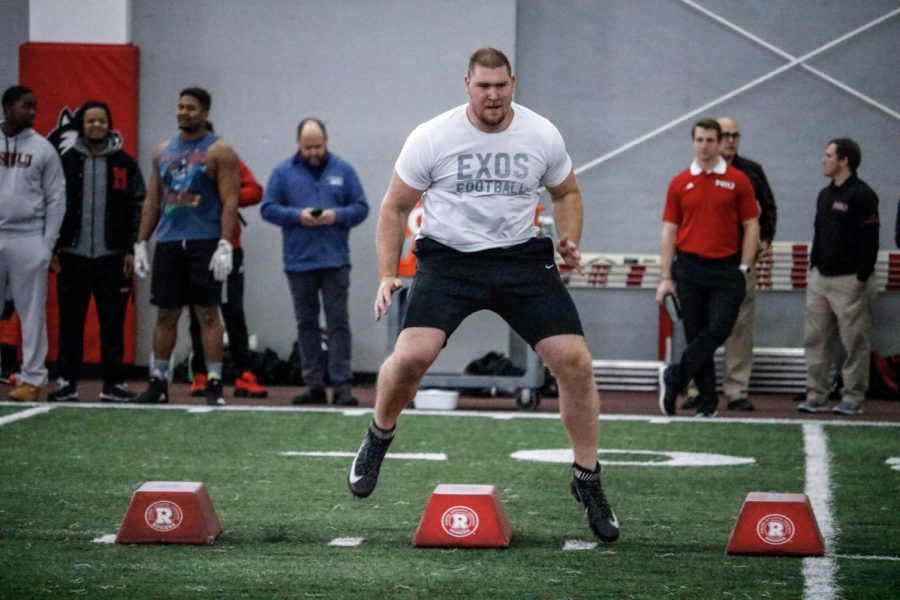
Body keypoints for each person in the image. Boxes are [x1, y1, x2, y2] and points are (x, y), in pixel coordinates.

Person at [346, 48, 619, 543]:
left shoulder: (541, 133)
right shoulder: (432, 137)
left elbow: (567, 193)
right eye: (483, 86)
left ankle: (587, 479)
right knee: (412, 358)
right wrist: (388, 272)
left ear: (513, 83)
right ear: (466, 84)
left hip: (521, 259)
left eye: (501, 86)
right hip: (450, 261)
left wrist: (570, 238)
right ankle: (379, 434)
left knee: (574, 361)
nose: (492, 95)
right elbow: (393, 208)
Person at [131, 87, 239, 406]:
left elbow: (230, 199)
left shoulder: (219, 151)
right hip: (168, 241)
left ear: (205, 112)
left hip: (204, 241)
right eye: (180, 107)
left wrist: (224, 243)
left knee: (207, 313)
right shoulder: (162, 150)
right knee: (166, 313)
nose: (184, 113)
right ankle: (158, 382)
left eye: (191, 108)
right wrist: (140, 242)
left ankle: (214, 383)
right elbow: (153, 199)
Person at [261, 117, 368, 406]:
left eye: (318, 146)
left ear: (327, 142)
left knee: (338, 324)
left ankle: (342, 385)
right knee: (306, 324)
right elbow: (267, 208)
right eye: (308, 147)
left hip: (335, 260)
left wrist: (336, 216)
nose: (313, 152)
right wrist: (298, 216)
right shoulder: (282, 173)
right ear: (298, 144)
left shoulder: (344, 170)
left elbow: (361, 208)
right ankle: (314, 385)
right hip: (299, 262)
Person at [656, 118, 760, 418]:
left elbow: (751, 225)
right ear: (694, 142)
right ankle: (707, 403)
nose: (704, 146)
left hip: (727, 270)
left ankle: (675, 376)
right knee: (696, 334)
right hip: (688, 268)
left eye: (710, 140)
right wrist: (665, 277)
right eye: (699, 140)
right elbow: (669, 231)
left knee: (718, 330)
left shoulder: (738, 180)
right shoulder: (679, 182)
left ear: (720, 142)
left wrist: (744, 266)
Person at [50, 101, 146, 402]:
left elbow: (138, 206)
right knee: (70, 322)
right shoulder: (64, 162)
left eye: (102, 121)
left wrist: (132, 247)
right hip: (72, 255)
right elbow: (51, 205)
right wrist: (53, 246)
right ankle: (66, 382)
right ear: (82, 125)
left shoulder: (125, 164)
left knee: (113, 324)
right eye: (90, 121)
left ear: (110, 124)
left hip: (113, 257)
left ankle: (114, 384)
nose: (96, 126)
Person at [683, 117, 776, 412]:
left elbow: (767, 208)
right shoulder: (693, 174)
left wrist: (764, 242)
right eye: (725, 135)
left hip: (737, 263)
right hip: (699, 265)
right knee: (700, 329)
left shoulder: (751, 173)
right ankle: (698, 388)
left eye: (736, 135)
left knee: (737, 327)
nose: (731, 140)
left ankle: (736, 390)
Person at [798, 138, 879, 415]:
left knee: (854, 342)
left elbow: (871, 239)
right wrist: (813, 267)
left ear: (844, 161)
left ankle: (853, 397)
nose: (824, 159)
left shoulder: (863, 195)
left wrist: (861, 277)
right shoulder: (825, 194)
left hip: (850, 280)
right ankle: (816, 394)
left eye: (828, 155)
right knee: (815, 339)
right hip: (821, 278)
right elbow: (818, 233)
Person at [187, 122, 267, 399]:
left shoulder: (226, 157)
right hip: (194, 244)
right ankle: (199, 372)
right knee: (197, 310)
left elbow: (255, 190)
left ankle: (244, 373)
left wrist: (226, 198)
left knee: (232, 309)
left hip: (227, 245)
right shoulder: (181, 164)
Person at [0, 85, 66, 402]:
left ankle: (33, 379)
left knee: (32, 312)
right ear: (8, 106)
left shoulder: (43, 149)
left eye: (34, 106)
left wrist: (47, 243)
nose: (33, 112)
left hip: (29, 236)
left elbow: (56, 199)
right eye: (27, 106)